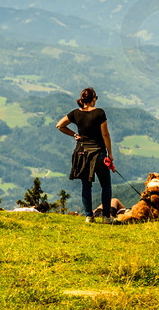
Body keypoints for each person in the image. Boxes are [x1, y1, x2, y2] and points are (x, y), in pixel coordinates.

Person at [56, 87, 115, 224]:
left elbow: (59, 125)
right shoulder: (99, 113)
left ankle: (89, 216)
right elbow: (105, 134)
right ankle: (106, 217)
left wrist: (74, 134)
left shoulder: (75, 113)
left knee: (86, 185)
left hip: (82, 153)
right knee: (105, 185)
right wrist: (110, 153)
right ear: (93, 98)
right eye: (96, 98)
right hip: (98, 153)